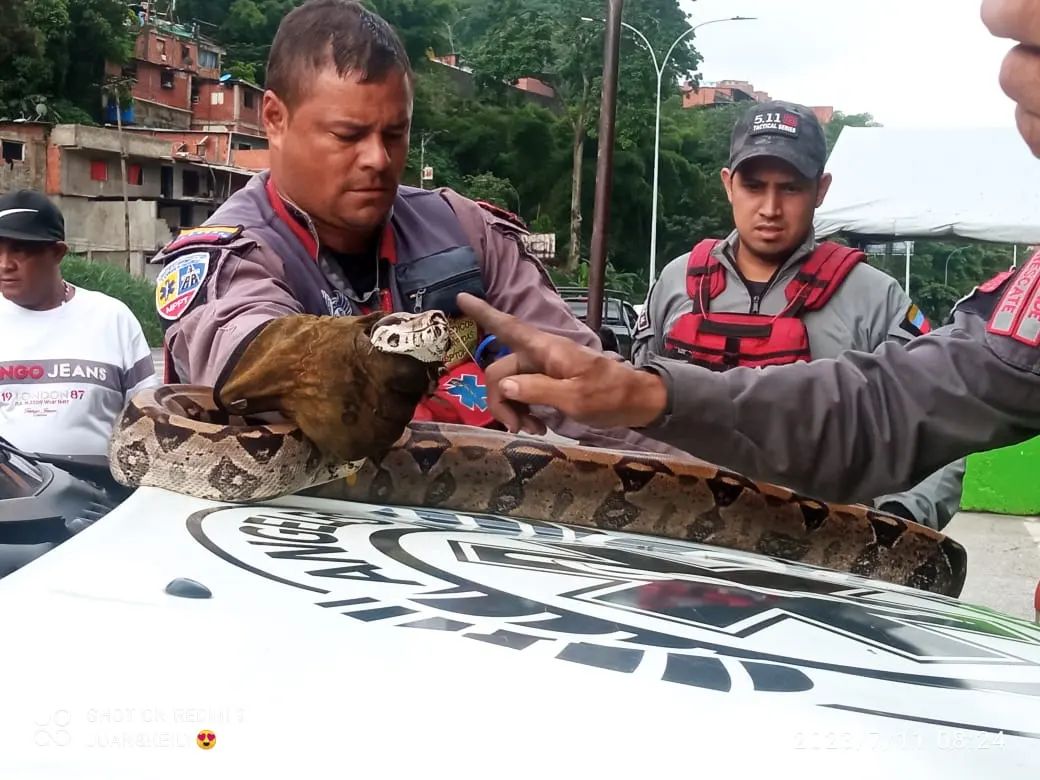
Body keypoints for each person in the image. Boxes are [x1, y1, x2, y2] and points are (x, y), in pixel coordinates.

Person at [150, 0, 672, 456]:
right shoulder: (228, 255)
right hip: (292, 543)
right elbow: (242, 347)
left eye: (395, 133)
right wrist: (347, 361)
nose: (378, 159)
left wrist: (703, 465)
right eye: (348, 135)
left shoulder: (469, 232)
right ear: (274, 118)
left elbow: (592, 396)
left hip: (484, 543)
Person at [632, 100, 963, 529]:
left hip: (823, 549)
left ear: (821, 189)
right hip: (679, 538)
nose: (770, 207)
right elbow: (633, 411)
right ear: (728, 185)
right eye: (754, 186)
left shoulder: (875, 298)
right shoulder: (676, 282)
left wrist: (897, 523)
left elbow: (934, 426)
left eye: (790, 188)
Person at [0, 190, 158, 459]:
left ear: (58, 253)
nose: (5, 264)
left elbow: (148, 419)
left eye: (21, 250)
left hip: (102, 495)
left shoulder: (112, 318)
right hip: (11, 496)